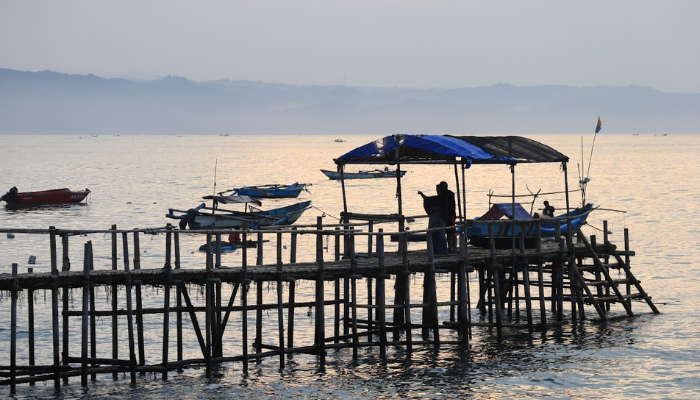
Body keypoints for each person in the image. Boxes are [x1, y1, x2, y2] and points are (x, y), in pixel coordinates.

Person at [418, 185, 448, 254]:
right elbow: (427, 199)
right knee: (434, 234)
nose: (437, 191)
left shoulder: (444, 198)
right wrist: (422, 194)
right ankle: (435, 249)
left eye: (438, 189)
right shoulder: (436, 198)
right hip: (435, 219)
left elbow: (443, 208)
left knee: (440, 234)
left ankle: (441, 250)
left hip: (440, 219)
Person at [438, 181, 457, 252]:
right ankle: (451, 247)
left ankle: (454, 247)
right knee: (449, 232)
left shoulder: (445, 195)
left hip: (450, 214)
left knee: (452, 232)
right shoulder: (447, 194)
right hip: (448, 214)